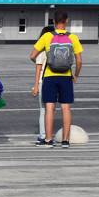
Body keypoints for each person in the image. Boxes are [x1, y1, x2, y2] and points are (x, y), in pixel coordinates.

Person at [29, 10, 83, 148]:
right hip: (66, 76)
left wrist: (43, 58)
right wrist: (75, 75)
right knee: (66, 108)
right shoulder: (73, 38)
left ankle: (48, 140)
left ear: (53, 21)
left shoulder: (47, 36)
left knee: (49, 107)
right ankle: (65, 141)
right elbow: (79, 61)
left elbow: (32, 55)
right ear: (66, 21)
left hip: (50, 75)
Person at [30, 25, 53, 145]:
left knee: (43, 110)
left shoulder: (42, 51)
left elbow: (38, 70)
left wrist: (35, 86)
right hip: (55, 81)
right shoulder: (54, 50)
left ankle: (43, 135)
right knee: (51, 109)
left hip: (43, 82)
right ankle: (49, 134)